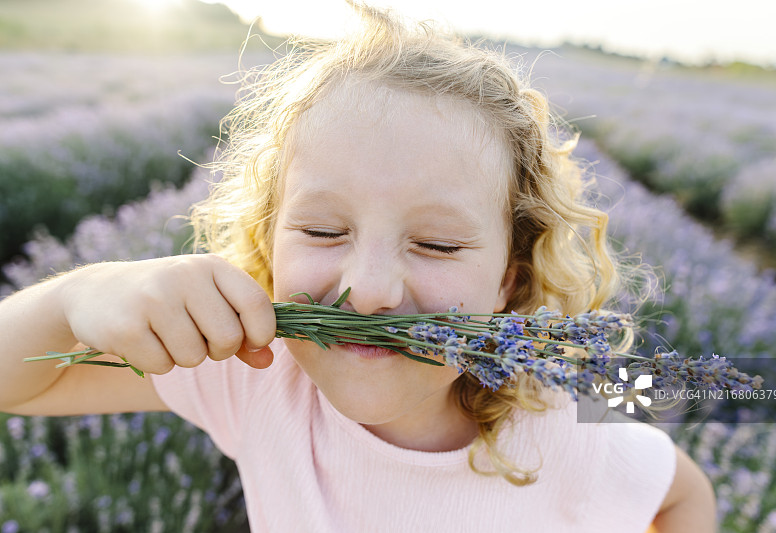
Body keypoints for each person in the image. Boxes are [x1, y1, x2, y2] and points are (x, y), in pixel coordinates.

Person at [0, 4, 715, 531]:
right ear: (268, 239)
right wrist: (78, 296)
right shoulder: (258, 378)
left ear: (511, 278)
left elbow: (683, 494)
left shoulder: (565, 420)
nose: (368, 290)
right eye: (321, 228)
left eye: (435, 244)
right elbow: (19, 383)